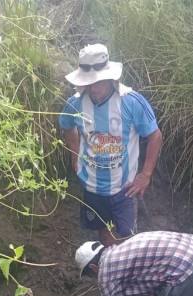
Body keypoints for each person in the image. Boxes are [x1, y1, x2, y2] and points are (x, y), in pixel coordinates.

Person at [59, 43, 163, 246]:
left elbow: (155, 135)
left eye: (99, 82)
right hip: (92, 186)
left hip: (124, 188)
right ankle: (109, 267)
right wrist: (75, 156)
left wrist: (146, 174)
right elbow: (66, 126)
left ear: (110, 78)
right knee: (103, 232)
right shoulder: (76, 103)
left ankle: (128, 273)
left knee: (127, 238)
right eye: (89, 83)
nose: (94, 88)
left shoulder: (131, 102)